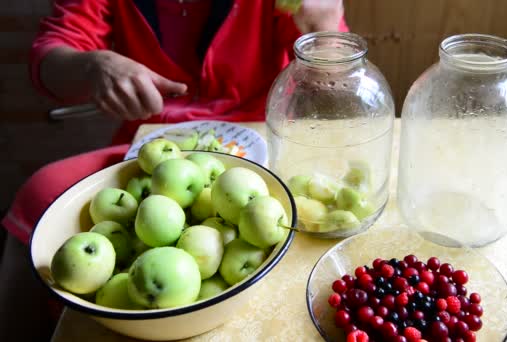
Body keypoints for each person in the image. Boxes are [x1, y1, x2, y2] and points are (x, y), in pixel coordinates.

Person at [0, 1, 347, 340]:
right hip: (153, 146)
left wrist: (326, 26)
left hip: (258, 137)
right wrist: (95, 67)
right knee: (36, 194)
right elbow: (47, 61)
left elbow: (332, 84)